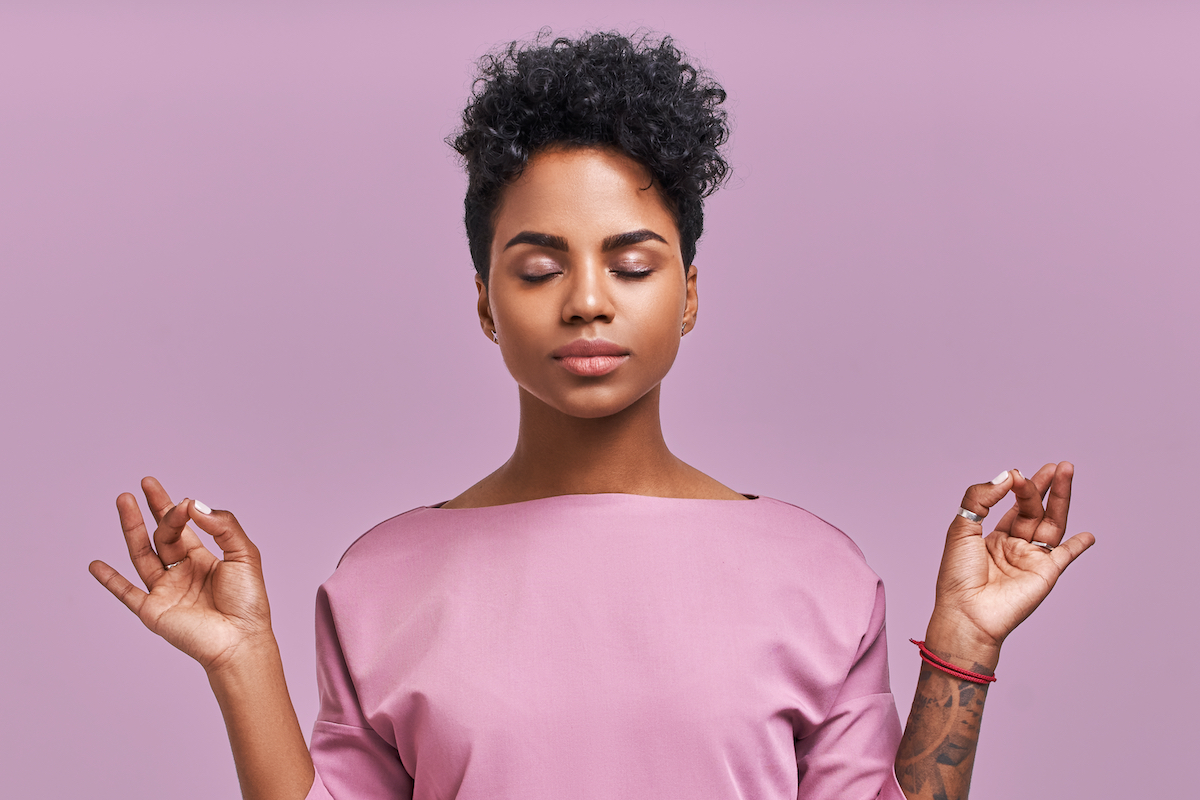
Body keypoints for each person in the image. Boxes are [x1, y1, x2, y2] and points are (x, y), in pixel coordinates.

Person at [88, 31, 1095, 800]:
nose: (587, 300)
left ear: (689, 293)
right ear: (485, 300)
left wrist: (965, 638)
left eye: (631, 261)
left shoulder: (817, 571)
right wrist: (243, 659)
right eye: (538, 266)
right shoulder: (378, 580)